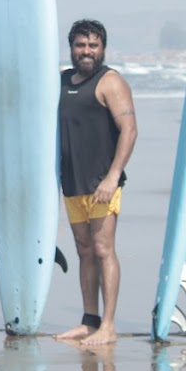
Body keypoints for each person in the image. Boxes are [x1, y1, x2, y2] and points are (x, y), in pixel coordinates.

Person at [55, 19, 137, 346]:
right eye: (80, 45)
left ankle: (109, 326)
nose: (86, 51)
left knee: (103, 250)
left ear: (103, 48)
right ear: (71, 47)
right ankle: (89, 321)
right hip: (73, 181)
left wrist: (113, 176)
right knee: (84, 250)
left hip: (103, 182)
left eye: (93, 45)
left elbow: (129, 130)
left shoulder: (110, 81)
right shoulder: (61, 80)